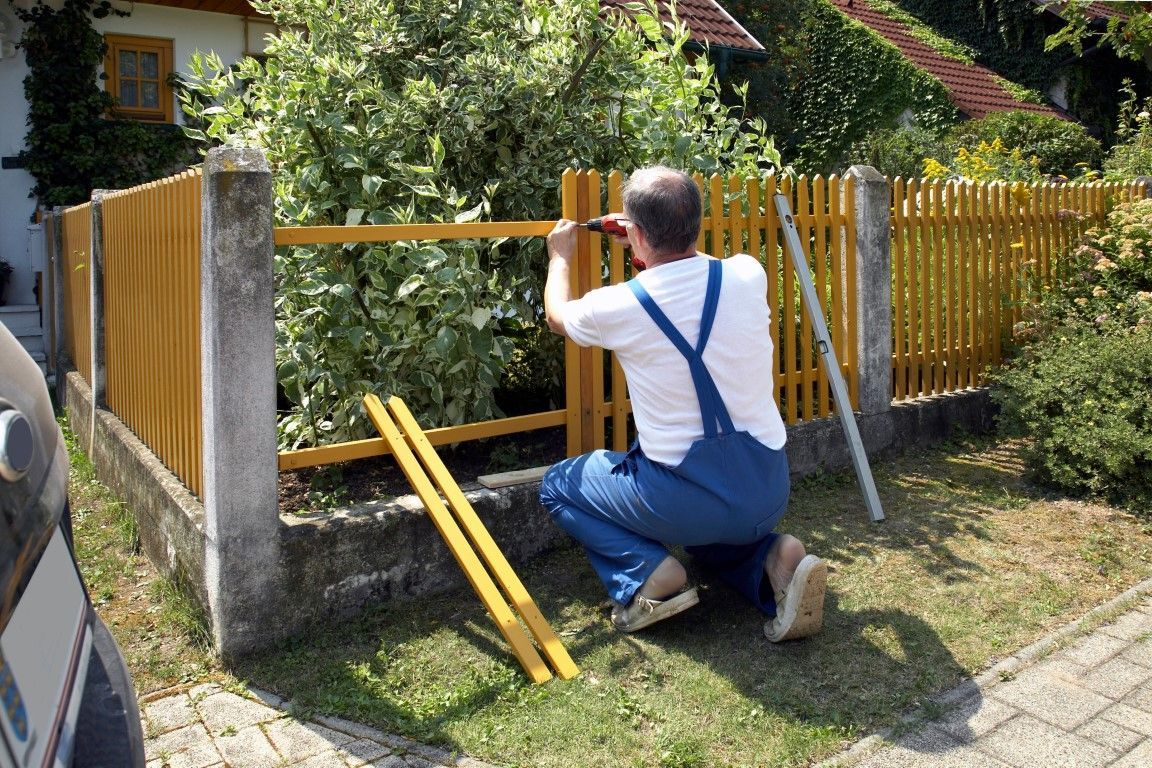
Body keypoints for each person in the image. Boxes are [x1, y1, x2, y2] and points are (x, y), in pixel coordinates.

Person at [538, 166, 827, 641]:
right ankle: (774, 558)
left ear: (634, 232)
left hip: (686, 500)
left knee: (558, 484)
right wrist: (646, 237)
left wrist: (560, 257)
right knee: (713, 535)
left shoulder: (619, 305)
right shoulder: (746, 273)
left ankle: (650, 577)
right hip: (767, 489)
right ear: (696, 221)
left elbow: (556, 316)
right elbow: (697, 266)